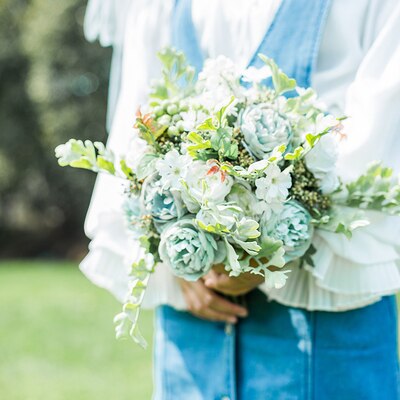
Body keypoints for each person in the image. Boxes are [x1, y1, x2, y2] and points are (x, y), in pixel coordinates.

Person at [82, 1, 400, 398]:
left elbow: (384, 127)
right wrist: (181, 254)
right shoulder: (159, 7)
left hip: (322, 311)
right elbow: (136, 126)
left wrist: (268, 248)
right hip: (194, 320)